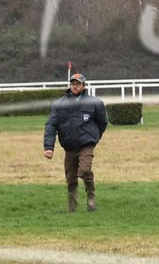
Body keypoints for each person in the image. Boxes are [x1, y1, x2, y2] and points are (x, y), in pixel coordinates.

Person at [43, 72, 109, 212]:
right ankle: (72, 208)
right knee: (70, 178)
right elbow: (51, 125)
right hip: (69, 146)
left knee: (84, 170)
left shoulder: (95, 103)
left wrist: (94, 137)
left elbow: (102, 122)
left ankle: (91, 198)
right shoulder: (59, 104)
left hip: (86, 144)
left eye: (78, 84)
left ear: (84, 86)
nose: (75, 86)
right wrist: (49, 147)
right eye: (73, 84)